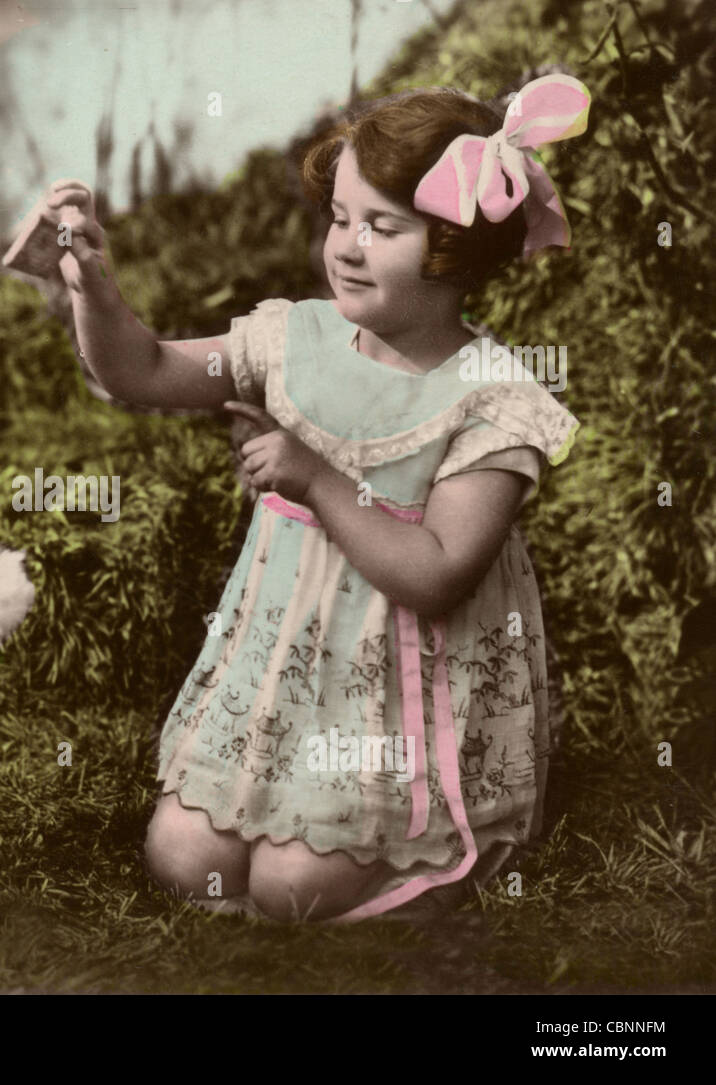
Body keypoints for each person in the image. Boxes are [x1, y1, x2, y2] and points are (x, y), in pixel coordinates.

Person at [40, 74, 589, 922]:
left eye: (382, 226)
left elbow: (438, 573)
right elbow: (142, 369)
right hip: (289, 673)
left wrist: (318, 479)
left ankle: (434, 837)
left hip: (399, 694)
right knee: (183, 859)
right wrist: (92, 288)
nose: (348, 246)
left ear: (453, 250)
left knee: (291, 890)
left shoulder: (491, 399)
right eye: (339, 218)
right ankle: (276, 813)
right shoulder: (298, 337)